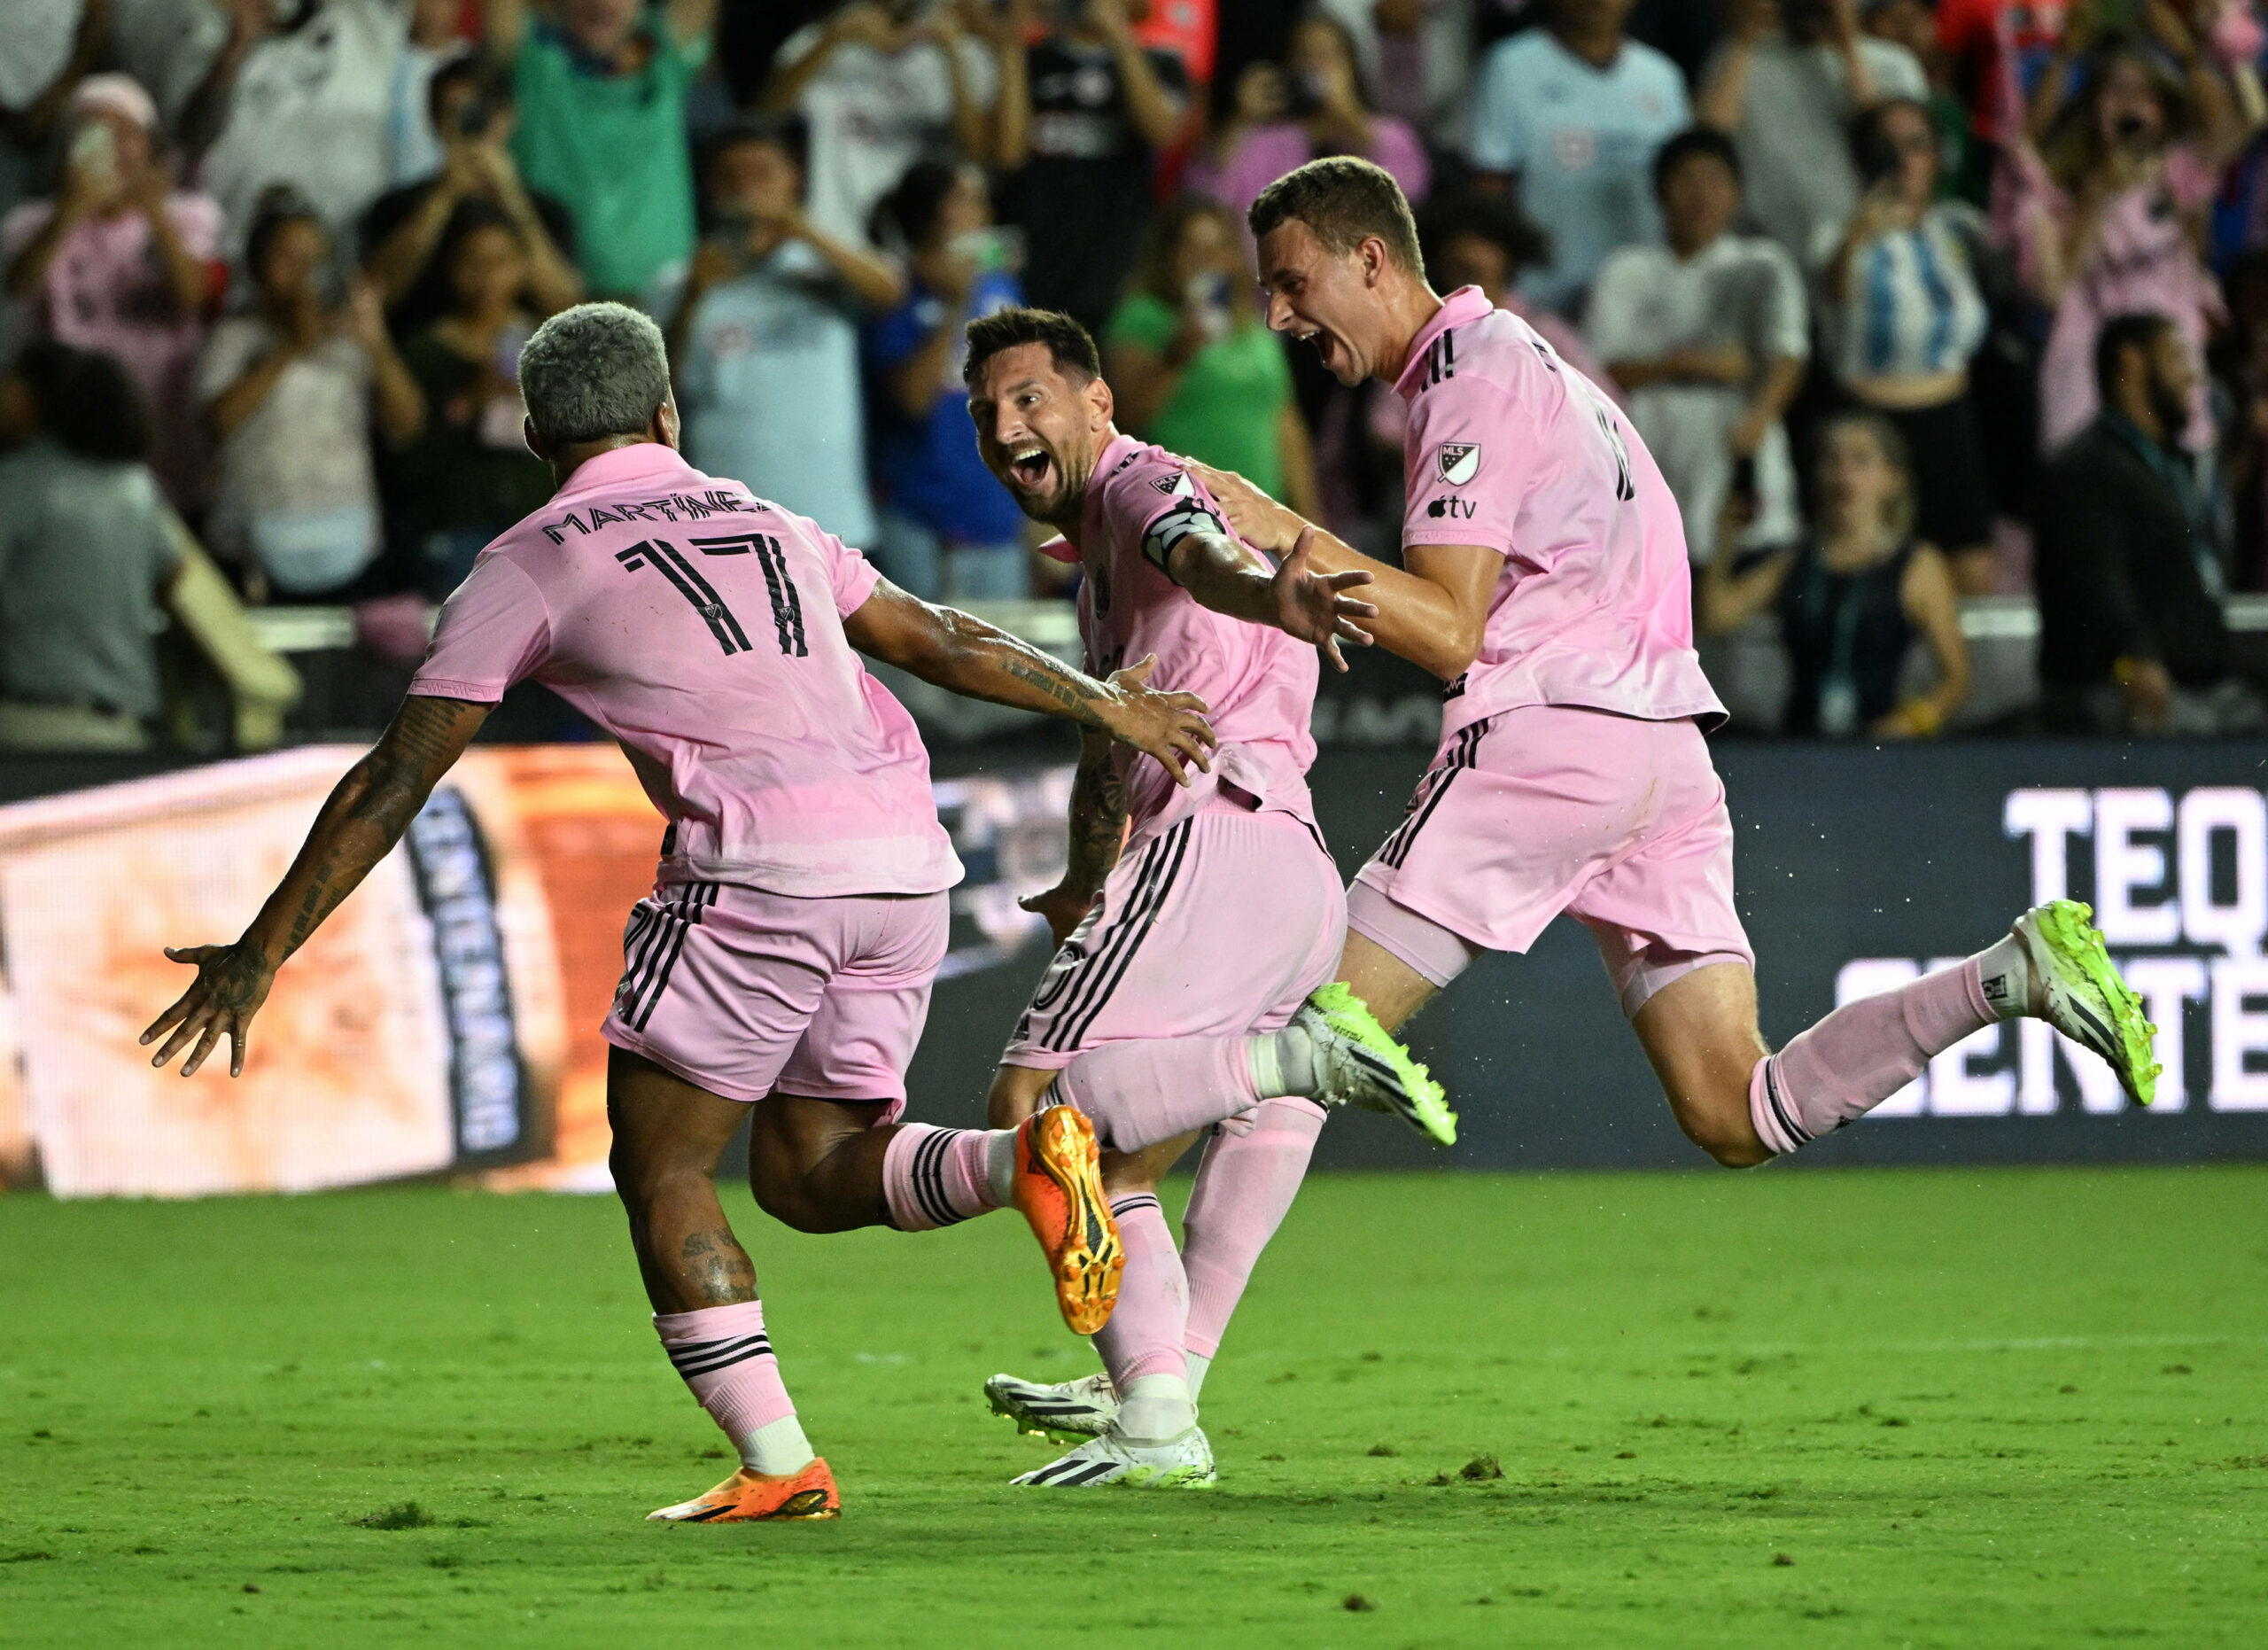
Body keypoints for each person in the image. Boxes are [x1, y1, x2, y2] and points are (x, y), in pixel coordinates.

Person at [140, 300, 1238, 1525]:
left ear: (533, 431)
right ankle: (1025, 1159)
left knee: (660, 1160)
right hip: (901, 862)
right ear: (668, 412)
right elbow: (933, 636)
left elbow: (400, 770)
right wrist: (1105, 702)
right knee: (810, 1172)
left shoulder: (529, 558)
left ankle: (780, 1463)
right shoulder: (769, 515)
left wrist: (261, 950)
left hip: (758, 871)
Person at [1186, 157, 2157, 1247]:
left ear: (1370, 258)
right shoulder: (1536, 368)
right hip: (1666, 759)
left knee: (1300, 1037)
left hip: (1555, 741)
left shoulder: (1470, 376)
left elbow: (1450, 629)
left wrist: (1284, 529)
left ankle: (1157, 1383)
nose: (1276, 314)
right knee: (1736, 1108)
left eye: (1291, 280)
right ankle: (2007, 976)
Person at [957, 305, 1440, 1488]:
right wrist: (1082, 875)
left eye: (1030, 397)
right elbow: (1107, 740)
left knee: (1042, 1109)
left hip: (1213, 848)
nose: (1007, 424)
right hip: (1288, 873)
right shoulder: (1103, 558)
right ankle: (1156, 1390)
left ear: (1098, 402)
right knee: (1125, 1163)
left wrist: (1270, 592)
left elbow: (1202, 556)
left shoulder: (1140, 485)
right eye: (985, 412)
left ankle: (1295, 1068)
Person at [2008, 25, 2257, 457]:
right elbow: (2051, 291)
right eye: (2115, 91)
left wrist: (2198, 51)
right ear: (2093, 106)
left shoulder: (2174, 178)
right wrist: (2097, 201)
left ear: (2163, 112)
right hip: (2087, 382)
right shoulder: (2055, 194)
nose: (2128, 103)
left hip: (2169, 371)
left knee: (2175, 511)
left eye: (2143, 94)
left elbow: (2250, 116)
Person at [666, 121, 901, 547]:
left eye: (761, 173)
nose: (746, 188)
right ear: (712, 187)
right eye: (731, 176)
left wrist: (801, 228)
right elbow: (661, 391)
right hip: (728, 525)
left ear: (794, 178)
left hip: (831, 520)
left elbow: (889, 291)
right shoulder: (681, 280)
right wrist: (691, 297)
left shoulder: (822, 269)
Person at [1587, 128, 1807, 565]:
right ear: (1659, 189)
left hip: (1735, 438)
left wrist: (1758, 419)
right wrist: (1692, 364)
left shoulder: (1762, 264)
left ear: (1737, 192)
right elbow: (1599, 369)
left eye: (1715, 180)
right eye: (1686, 179)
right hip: (1651, 440)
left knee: (1744, 566)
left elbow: (1788, 355)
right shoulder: (1626, 269)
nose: (1701, 194)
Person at [2035, 312, 2263, 735]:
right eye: (2177, 357)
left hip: (2202, 681)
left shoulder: (2167, 463)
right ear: (2132, 362)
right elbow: (2095, 576)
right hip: (2121, 690)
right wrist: (2136, 658)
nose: (2193, 377)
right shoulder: (2088, 467)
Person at [2, 74, 221, 514]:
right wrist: (73, 210)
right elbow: (18, 288)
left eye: (126, 134)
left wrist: (155, 211)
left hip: (164, 431)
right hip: (72, 440)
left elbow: (193, 297)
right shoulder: (30, 223)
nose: (113, 149)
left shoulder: (190, 215)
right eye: (94, 135)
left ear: (149, 146)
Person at [198, 194, 423, 600]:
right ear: (256, 266)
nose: (303, 273)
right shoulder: (234, 337)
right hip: (254, 551)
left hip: (348, 541)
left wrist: (376, 343)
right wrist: (291, 347)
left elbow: (408, 426)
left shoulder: (351, 336)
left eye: (313, 259)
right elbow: (217, 423)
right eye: (286, 259)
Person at [1699, 410, 1973, 737]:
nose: (1843, 472)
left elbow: (1957, 677)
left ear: (1892, 478)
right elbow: (1716, 616)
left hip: (1880, 744)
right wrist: (1726, 538)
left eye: (1859, 460)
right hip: (1800, 740)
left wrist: (1909, 723)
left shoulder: (1917, 565)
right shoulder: (1796, 561)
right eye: (1831, 460)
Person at [1817, 97, 1995, 588]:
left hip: (1951, 421)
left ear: (1937, 157)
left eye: (1916, 145)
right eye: (1886, 148)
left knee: (1972, 573)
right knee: (1874, 571)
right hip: (1874, 424)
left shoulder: (1955, 229)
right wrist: (1861, 232)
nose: (1902, 160)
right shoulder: (1836, 234)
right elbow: (1834, 293)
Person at [0, 339, 183, 752]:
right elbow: (174, 571)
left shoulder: (19, 482)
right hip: (124, 727)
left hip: (30, 725)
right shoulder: (136, 488)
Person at [865, 159, 1032, 600]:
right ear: (932, 213)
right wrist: (955, 306)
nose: (983, 214)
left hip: (996, 514)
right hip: (920, 517)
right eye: (967, 201)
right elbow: (913, 400)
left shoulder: (1001, 290)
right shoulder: (895, 292)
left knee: (1002, 663)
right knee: (916, 669)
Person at [479, 0, 718, 301]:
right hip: (550, 294)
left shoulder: (666, 58)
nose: (602, 2)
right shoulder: (531, 60)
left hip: (666, 297)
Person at [1464, 0, 1690, 314]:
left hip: (1644, 307)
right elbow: (1489, 193)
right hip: (1541, 301)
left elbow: (1688, 191)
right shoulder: (1509, 66)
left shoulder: (1662, 77)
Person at [1103, 196, 1322, 520]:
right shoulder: (1144, 319)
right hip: (1180, 518)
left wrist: (1312, 521)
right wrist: (1178, 352)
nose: (1205, 261)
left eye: (1218, 249)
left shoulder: (1255, 328)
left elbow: (1286, 428)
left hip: (1260, 521)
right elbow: (1128, 417)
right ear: (1167, 257)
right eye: (1192, 250)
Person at [388, 204, 559, 597]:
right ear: (450, 269)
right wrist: (468, 401)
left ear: (522, 266)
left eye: (500, 262)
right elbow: (408, 458)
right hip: (457, 531)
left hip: (539, 528)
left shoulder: (549, 342)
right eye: (471, 263)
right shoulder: (425, 350)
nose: (486, 278)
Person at [991, 0, 1192, 336]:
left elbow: (1163, 133)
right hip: (1039, 254)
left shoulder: (1160, 63)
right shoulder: (1032, 60)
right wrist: (1012, 42)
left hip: (1118, 258)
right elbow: (1009, 153)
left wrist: (1119, 37)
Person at [360, 53, 582, 339]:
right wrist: (442, 198)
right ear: (435, 120)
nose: (471, 126)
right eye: (456, 113)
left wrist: (513, 199)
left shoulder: (548, 211)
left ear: (508, 116)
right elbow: (375, 297)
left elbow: (567, 305)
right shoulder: (396, 207)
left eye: (481, 112)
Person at [1698, 0, 1930, 269]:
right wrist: (1746, 38)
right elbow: (1708, 142)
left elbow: (1893, 143)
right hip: (1764, 249)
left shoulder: (1893, 64)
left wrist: (1847, 44)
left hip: (1861, 249)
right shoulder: (1740, 56)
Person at [762, 1, 998, 249]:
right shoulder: (818, 39)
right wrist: (833, 39)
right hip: (821, 224)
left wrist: (952, 52)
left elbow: (979, 152)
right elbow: (768, 115)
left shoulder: (964, 55)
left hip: (912, 237)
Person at [1184, 10, 1430, 247]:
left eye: (1328, 55)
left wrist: (1350, 118)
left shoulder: (1388, 133)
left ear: (1352, 66)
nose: (1316, 65)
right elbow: (1204, 199)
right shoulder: (1266, 140)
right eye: (1306, 55)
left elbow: (1410, 194)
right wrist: (1240, 121)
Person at [184, 0, 412, 252]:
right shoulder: (213, 28)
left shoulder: (368, 20)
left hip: (345, 239)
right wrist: (236, 46)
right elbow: (192, 139)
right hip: (240, 242)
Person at [1417, 188, 1612, 392]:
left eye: (1484, 243)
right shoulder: (1429, 342)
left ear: (1509, 256)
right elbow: (1389, 419)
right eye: (1456, 242)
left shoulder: (1546, 336)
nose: (1468, 252)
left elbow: (1604, 409)